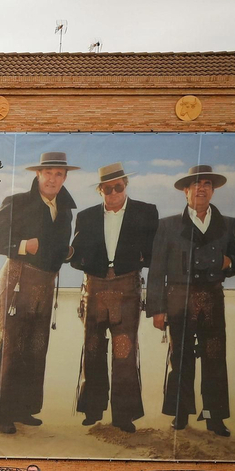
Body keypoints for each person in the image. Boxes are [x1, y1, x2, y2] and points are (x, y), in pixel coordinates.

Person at [0, 151, 78, 434]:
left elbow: (56, 246)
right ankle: (2, 415)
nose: (52, 178)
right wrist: (23, 245)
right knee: (14, 345)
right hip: (17, 281)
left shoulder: (66, 209)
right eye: (48, 173)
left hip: (44, 285)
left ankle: (24, 410)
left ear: (65, 178)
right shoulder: (17, 201)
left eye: (58, 174)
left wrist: (68, 253)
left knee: (36, 347)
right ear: (38, 174)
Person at [148, 165, 235, 435]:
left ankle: (215, 417)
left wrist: (227, 261)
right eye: (195, 184)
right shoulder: (167, 225)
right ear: (185, 191)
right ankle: (180, 414)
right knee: (180, 359)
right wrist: (157, 309)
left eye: (206, 184)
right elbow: (156, 270)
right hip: (178, 300)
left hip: (213, 299)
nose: (201, 189)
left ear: (213, 191)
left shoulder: (227, 224)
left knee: (215, 359)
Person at [71, 162, 158, 432]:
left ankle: (124, 415)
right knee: (94, 348)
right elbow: (75, 256)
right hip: (94, 288)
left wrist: (138, 260)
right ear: (100, 191)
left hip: (128, 290)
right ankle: (93, 409)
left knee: (124, 351)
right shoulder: (85, 217)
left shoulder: (146, 212)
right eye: (107, 189)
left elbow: (155, 253)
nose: (113, 193)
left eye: (117, 187)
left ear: (125, 186)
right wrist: (88, 262)